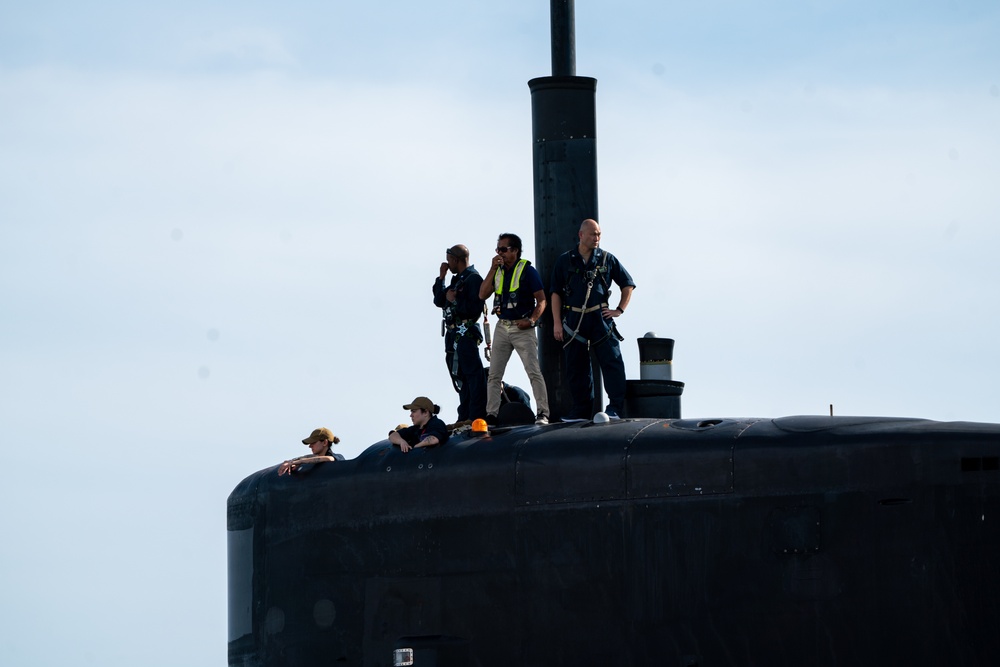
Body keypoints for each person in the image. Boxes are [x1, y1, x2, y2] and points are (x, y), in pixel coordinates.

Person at [550, 218, 636, 421]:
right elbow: (555, 293)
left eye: (598, 234)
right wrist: (556, 323)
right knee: (577, 368)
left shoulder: (607, 259)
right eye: (592, 234)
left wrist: (619, 310)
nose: (596, 238)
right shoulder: (565, 260)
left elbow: (627, 284)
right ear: (581, 235)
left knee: (612, 362)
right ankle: (581, 411)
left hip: (600, 318)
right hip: (575, 320)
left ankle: (614, 408)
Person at [478, 232, 550, 425]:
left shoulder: (527, 271)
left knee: (533, 371)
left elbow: (542, 299)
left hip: (522, 328)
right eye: (498, 249)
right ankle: (491, 414)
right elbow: (482, 294)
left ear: (515, 251)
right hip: (502, 327)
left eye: (503, 249)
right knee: (494, 374)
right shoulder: (499, 271)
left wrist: (532, 320)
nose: (499, 253)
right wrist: (492, 269)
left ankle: (543, 412)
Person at [433, 244, 487, 422]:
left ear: (456, 259)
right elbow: (439, 300)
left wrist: (455, 300)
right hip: (453, 334)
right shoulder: (457, 280)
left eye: (449, 260)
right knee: (460, 377)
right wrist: (441, 278)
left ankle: (475, 415)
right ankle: (464, 414)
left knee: (473, 375)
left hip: (465, 333)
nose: (448, 264)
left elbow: (474, 308)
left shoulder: (473, 279)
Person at [277, 427, 343, 476]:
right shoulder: (314, 457)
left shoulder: (337, 457)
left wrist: (297, 462)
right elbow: (309, 457)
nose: (310, 446)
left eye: (313, 443)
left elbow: (328, 459)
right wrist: (291, 461)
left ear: (325, 442)